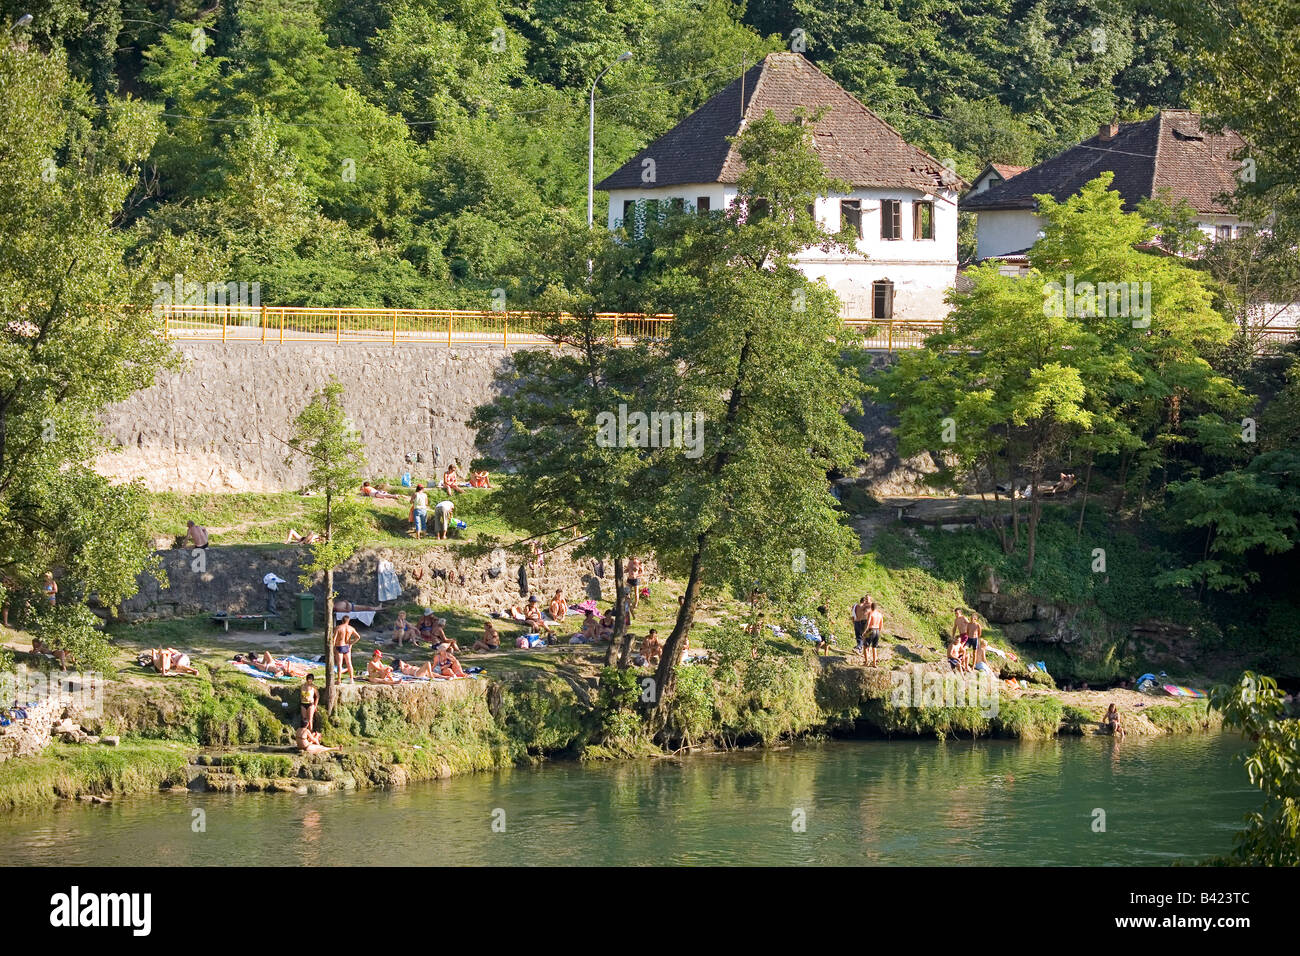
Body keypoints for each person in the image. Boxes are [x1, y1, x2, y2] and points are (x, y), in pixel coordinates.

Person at [333, 616, 360, 684]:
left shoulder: (338, 628)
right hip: (347, 646)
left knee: (339, 664)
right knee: (349, 663)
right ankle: (351, 679)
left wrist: (333, 648)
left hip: (339, 646)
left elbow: (334, 639)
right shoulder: (351, 628)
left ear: (342, 620)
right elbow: (358, 637)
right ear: (348, 621)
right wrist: (351, 643)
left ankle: (339, 680)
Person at [863, 601, 884, 667]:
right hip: (877, 630)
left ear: (871, 607)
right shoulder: (880, 614)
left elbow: (868, 623)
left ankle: (866, 662)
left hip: (871, 630)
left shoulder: (871, 613)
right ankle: (874, 663)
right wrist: (878, 631)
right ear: (876, 607)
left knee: (865, 646)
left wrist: (865, 631)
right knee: (874, 647)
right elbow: (881, 625)